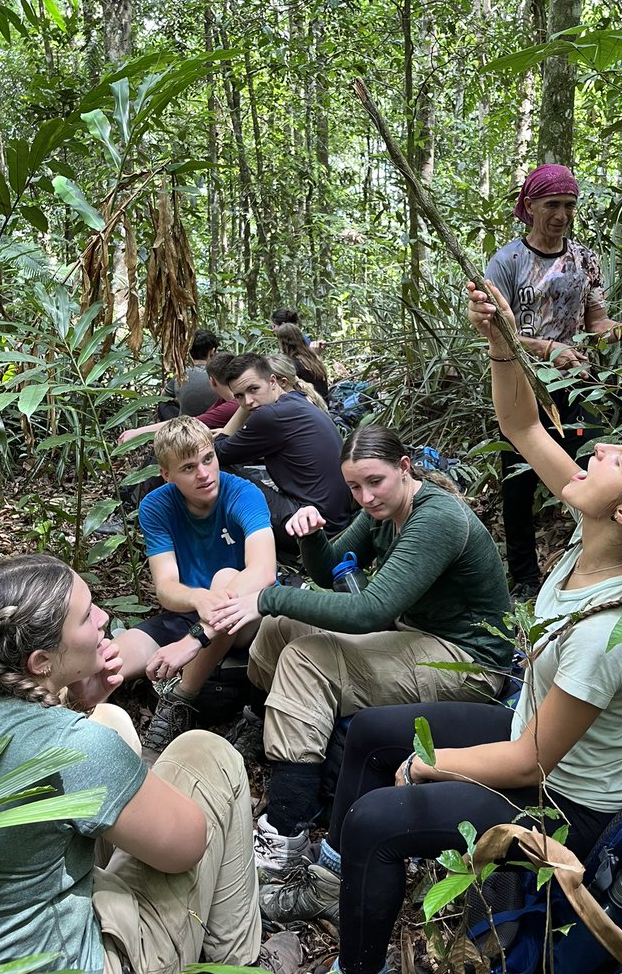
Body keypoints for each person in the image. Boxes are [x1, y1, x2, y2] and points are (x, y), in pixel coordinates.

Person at [253, 280, 622, 970]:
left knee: (378, 818)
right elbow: (523, 427)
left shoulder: (610, 629)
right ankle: (331, 880)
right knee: (372, 736)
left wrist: (429, 766)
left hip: (569, 803)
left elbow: (531, 762)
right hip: (529, 729)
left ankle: (358, 962)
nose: (601, 450)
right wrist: (500, 339)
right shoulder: (596, 534)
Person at [0, 552, 300, 974]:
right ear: (41, 662)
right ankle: (242, 963)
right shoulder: (73, 747)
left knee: (111, 718)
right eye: (86, 616)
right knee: (208, 752)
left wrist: (77, 704)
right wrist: (102, 750)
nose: (103, 617)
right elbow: (187, 849)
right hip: (74, 962)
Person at [207, 423, 514, 878]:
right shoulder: (382, 512)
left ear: (404, 468)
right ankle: (263, 731)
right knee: (278, 629)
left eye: (374, 482)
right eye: (354, 487)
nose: (365, 497)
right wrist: (311, 536)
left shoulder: (436, 518)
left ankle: (286, 831)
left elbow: (370, 610)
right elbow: (332, 570)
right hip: (413, 636)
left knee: (307, 659)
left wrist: (267, 596)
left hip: (466, 661)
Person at [486, 164, 622, 591]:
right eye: (552, 204)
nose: (561, 215)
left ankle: (593, 565)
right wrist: (548, 348)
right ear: (530, 206)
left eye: (569, 205)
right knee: (519, 482)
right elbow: (497, 332)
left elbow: (597, 323)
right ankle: (524, 578)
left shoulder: (584, 260)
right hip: (522, 386)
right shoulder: (507, 261)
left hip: (576, 385)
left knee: (587, 473)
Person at [113, 415, 277, 752]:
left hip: (244, 618)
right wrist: (198, 598)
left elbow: (263, 572)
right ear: (167, 475)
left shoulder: (243, 494)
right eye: (188, 468)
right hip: (188, 613)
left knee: (225, 578)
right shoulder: (156, 505)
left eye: (208, 459)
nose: (203, 474)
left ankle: (180, 699)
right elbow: (166, 587)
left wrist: (195, 636)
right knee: (109, 661)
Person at [214, 353, 353, 551]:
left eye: (253, 389)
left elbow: (217, 452)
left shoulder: (270, 415)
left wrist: (243, 410)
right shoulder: (297, 399)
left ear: (273, 381)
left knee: (213, 467)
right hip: (335, 519)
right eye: (239, 396)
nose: (248, 401)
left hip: (312, 526)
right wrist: (251, 400)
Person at [118, 351, 243, 447]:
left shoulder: (234, 405)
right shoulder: (225, 400)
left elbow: (189, 424)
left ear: (212, 381)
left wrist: (138, 433)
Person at [157, 327, 221, 420]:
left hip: (186, 422)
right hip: (215, 420)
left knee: (163, 403)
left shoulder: (180, 374)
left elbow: (164, 397)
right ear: (212, 352)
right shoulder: (219, 373)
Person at [274, 321, 330, 400]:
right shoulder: (312, 358)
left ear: (282, 342)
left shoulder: (292, 364)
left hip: (313, 403)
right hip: (323, 401)